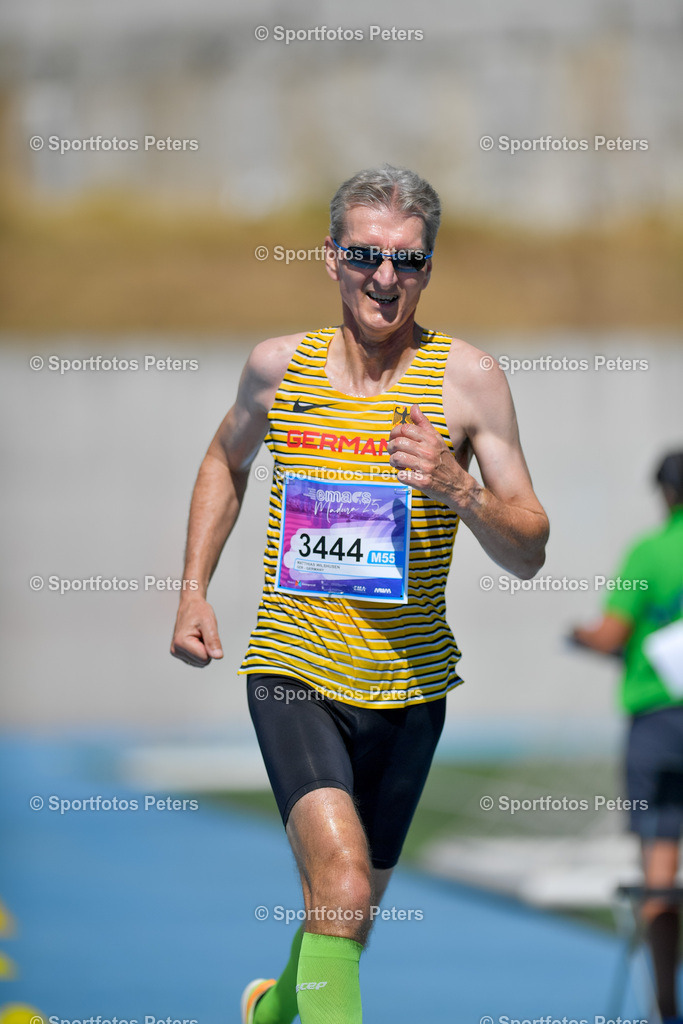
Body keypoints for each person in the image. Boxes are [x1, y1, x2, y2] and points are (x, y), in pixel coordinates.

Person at [170, 164, 549, 1024]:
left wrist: (458, 488)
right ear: (330, 257)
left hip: (409, 686)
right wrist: (193, 590)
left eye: (407, 260)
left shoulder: (468, 380)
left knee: (347, 916)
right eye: (365, 255)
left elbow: (529, 547)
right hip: (294, 669)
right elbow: (224, 459)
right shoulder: (277, 368)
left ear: (428, 266)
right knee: (338, 883)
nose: (385, 277)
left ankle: (270, 1010)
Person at [572, 452, 683, 1024]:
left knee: (659, 876)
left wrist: (579, 635)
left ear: (665, 493)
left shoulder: (651, 551)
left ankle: (666, 1005)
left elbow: (612, 633)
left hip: (660, 724)